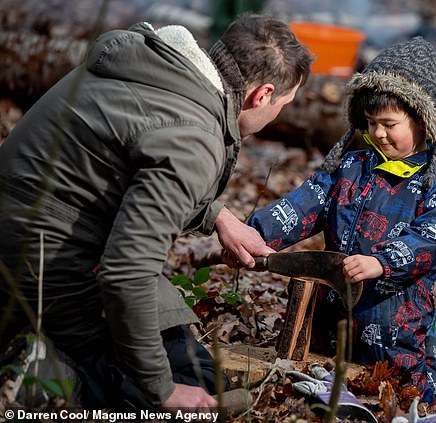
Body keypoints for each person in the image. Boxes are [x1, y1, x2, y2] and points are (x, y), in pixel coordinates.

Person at [0, 14, 312, 411]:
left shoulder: (156, 68)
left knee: (189, 361)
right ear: (262, 94)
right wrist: (162, 391)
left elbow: (127, 168)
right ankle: (42, 379)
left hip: (28, 229)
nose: (279, 115)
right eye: (284, 104)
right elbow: (127, 273)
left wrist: (218, 215)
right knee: (187, 387)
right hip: (41, 264)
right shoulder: (194, 137)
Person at [248, 36, 436, 403]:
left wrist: (381, 262)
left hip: (395, 312)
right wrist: (255, 233)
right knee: (323, 365)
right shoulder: (352, 165)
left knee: (413, 389)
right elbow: (307, 203)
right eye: (371, 123)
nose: (378, 134)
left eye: (389, 123)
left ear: (422, 121)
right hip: (334, 305)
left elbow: (431, 238)